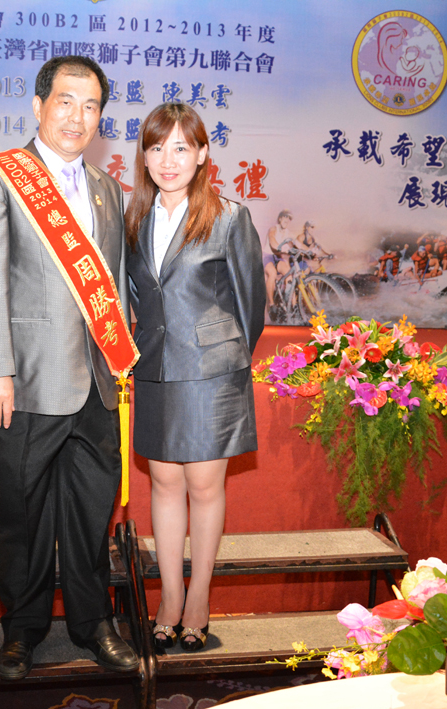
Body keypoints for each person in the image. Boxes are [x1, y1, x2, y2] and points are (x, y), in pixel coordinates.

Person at [0, 55, 138, 680]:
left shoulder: (109, 189)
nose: (77, 118)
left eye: (91, 107)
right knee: (25, 516)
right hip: (27, 381)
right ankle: (22, 630)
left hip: (96, 386)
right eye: (65, 102)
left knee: (91, 513)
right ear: (38, 106)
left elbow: (113, 284)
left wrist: (121, 363)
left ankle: (94, 624)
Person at [124, 103, 266, 652]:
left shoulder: (229, 218)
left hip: (211, 374)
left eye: (181, 147)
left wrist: (222, 357)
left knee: (205, 487)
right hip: (155, 368)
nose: (168, 160)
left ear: (202, 154)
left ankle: (200, 596)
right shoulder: (134, 219)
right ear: (144, 157)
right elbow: (136, 298)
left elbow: (251, 307)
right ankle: (170, 596)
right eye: (157, 147)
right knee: (164, 484)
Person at [263, 210, 293, 310]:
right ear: (280, 219)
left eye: (289, 219)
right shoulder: (273, 228)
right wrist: (279, 247)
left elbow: (296, 244)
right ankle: (271, 305)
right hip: (267, 256)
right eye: (285, 217)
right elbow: (272, 239)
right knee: (272, 273)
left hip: (278, 257)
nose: (287, 220)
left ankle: (293, 306)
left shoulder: (288, 232)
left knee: (289, 275)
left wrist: (307, 251)